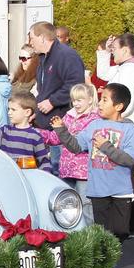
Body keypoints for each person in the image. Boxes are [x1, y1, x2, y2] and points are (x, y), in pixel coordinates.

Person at [51, 83, 134, 268]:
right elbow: (75, 146)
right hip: (98, 189)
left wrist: (106, 146)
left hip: (120, 190)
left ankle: (107, 255)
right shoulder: (94, 126)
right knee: (101, 230)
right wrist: (61, 131)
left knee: (120, 230)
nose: (100, 104)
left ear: (118, 106)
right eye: (100, 100)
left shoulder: (129, 129)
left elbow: (128, 159)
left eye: (105, 100)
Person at [97, 33, 134, 234]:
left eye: (115, 49)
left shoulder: (131, 72)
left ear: (126, 50)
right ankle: (131, 223)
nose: (113, 52)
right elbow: (104, 73)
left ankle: (132, 223)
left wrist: (105, 112)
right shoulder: (129, 68)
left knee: (127, 177)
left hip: (129, 129)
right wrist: (104, 50)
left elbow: (124, 105)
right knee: (129, 176)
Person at [28, 21, 85, 175]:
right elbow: (44, 90)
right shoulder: (43, 58)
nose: (30, 42)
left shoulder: (66, 55)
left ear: (42, 38)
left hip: (60, 123)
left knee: (58, 169)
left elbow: (75, 84)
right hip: (45, 122)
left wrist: (53, 101)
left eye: (32, 38)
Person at [39, 83, 101, 219]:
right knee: (66, 205)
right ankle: (72, 235)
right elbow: (56, 138)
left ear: (90, 99)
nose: (76, 104)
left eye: (80, 100)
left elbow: (80, 143)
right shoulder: (69, 116)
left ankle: (90, 235)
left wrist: (62, 130)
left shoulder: (95, 119)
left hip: (84, 170)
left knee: (85, 204)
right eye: (74, 100)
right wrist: (38, 133)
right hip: (67, 168)